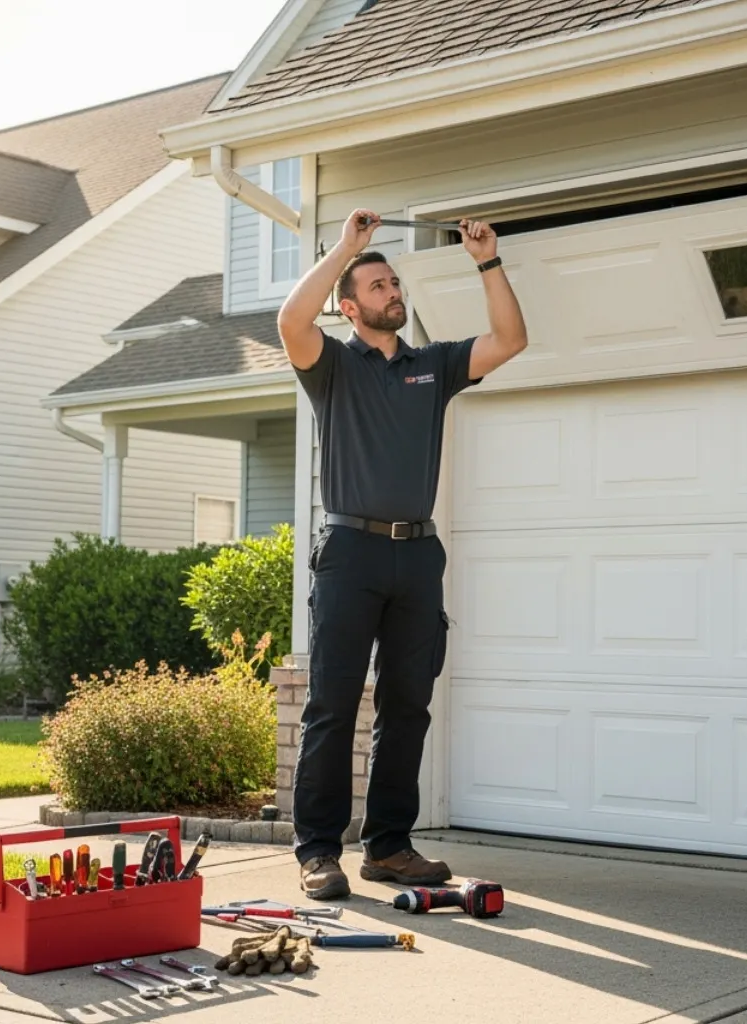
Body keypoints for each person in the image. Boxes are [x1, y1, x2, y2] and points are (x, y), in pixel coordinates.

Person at [276, 208, 528, 899]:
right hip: (351, 551)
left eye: (394, 281)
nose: (393, 290)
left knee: (408, 704)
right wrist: (345, 249)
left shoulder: (433, 365)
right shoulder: (330, 365)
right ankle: (319, 852)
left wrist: (487, 260)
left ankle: (388, 845)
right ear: (351, 307)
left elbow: (511, 338)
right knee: (330, 705)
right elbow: (290, 323)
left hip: (417, 556)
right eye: (378, 284)